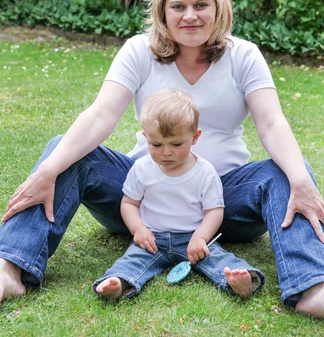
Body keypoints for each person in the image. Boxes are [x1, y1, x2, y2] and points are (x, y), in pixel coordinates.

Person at [0, 0, 324, 336]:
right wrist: (47, 170)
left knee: (289, 169)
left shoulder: (244, 56)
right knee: (62, 152)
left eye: (201, 4)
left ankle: (318, 287)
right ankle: (7, 266)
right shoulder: (138, 52)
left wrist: (301, 180)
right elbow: (100, 116)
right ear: (162, 11)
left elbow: (271, 122)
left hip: (222, 204)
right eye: (178, 6)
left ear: (219, 7)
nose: (190, 15)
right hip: (141, 201)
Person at [94, 88, 264, 299]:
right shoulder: (141, 168)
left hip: (192, 238)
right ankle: (118, 283)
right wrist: (138, 229)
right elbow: (129, 203)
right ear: (145, 137)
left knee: (215, 257)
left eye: (176, 144)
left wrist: (201, 237)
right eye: (156, 144)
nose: (166, 152)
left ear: (195, 137)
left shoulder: (204, 172)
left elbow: (214, 211)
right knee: (133, 259)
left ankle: (239, 279)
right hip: (152, 238)